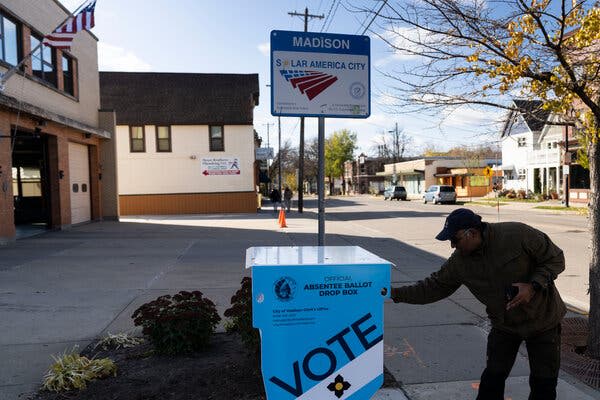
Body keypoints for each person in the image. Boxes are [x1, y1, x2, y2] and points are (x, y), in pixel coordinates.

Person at [391, 208, 565, 400]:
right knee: (493, 379)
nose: (452, 246)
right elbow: (433, 287)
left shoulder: (517, 234)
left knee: (544, 383)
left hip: (543, 321)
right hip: (504, 325)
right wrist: (392, 293)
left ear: (472, 233)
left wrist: (533, 286)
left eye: (455, 240)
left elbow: (555, 258)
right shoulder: (459, 262)